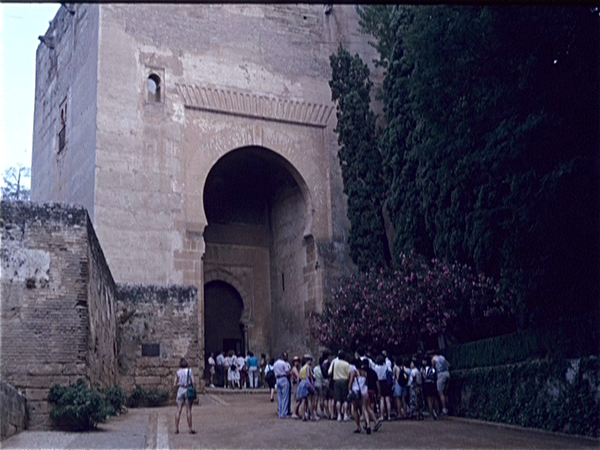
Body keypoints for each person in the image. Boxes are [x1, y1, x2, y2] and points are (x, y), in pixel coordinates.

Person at [173, 357, 196, 434]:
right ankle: (190, 428)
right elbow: (193, 381)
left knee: (178, 410)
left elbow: (174, 384)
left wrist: (179, 383)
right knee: (188, 410)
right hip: (187, 390)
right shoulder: (189, 371)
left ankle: (176, 428)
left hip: (180, 390)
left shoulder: (178, 372)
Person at [328, 350, 351, 422]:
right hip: (344, 380)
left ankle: (338, 415)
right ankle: (345, 415)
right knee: (345, 399)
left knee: (338, 399)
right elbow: (349, 373)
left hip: (336, 381)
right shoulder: (346, 364)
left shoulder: (334, 363)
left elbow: (329, 372)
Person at [273, 352, 291, 418]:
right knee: (285, 397)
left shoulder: (275, 364)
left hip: (277, 379)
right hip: (284, 378)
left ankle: (280, 412)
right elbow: (287, 372)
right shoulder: (284, 363)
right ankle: (284, 413)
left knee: (279, 397)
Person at [422, 355, 439, 420]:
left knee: (429, 399)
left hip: (427, 383)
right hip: (433, 383)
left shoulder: (425, 369)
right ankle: (436, 412)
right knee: (434, 398)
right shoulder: (433, 368)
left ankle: (431, 414)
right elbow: (436, 376)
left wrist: (423, 373)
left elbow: (425, 377)